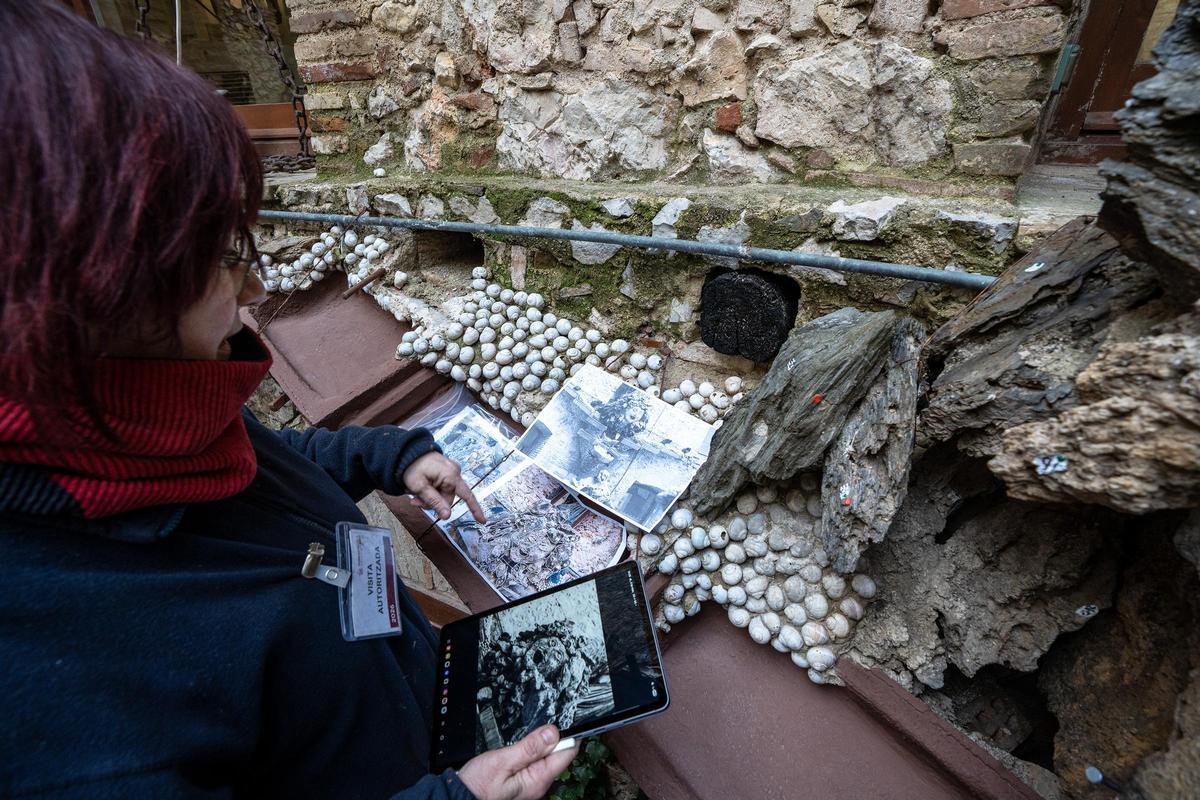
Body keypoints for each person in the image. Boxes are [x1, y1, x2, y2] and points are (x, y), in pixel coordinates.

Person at [0, 3, 577, 797]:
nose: (258, 285)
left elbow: (259, 465)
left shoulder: (144, 412)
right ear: (97, 289)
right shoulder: (60, 702)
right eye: (224, 254)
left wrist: (393, 453)